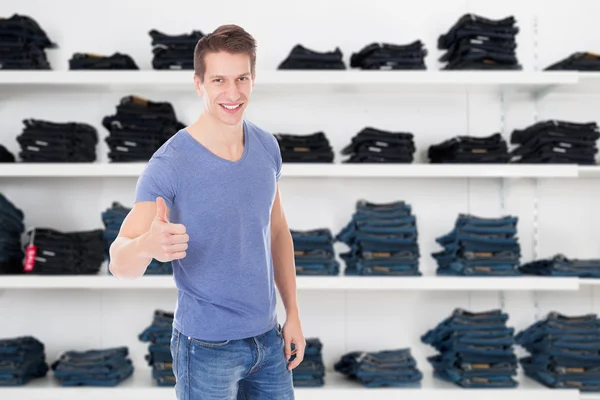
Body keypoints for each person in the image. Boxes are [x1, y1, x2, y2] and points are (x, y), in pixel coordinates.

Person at [108, 24, 304, 399]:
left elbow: (277, 232)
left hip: (268, 340)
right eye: (218, 80)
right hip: (205, 350)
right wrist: (148, 246)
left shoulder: (266, 147)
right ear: (199, 84)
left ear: (253, 79)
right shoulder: (169, 164)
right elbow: (119, 263)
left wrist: (292, 313)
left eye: (241, 78)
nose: (232, 93)